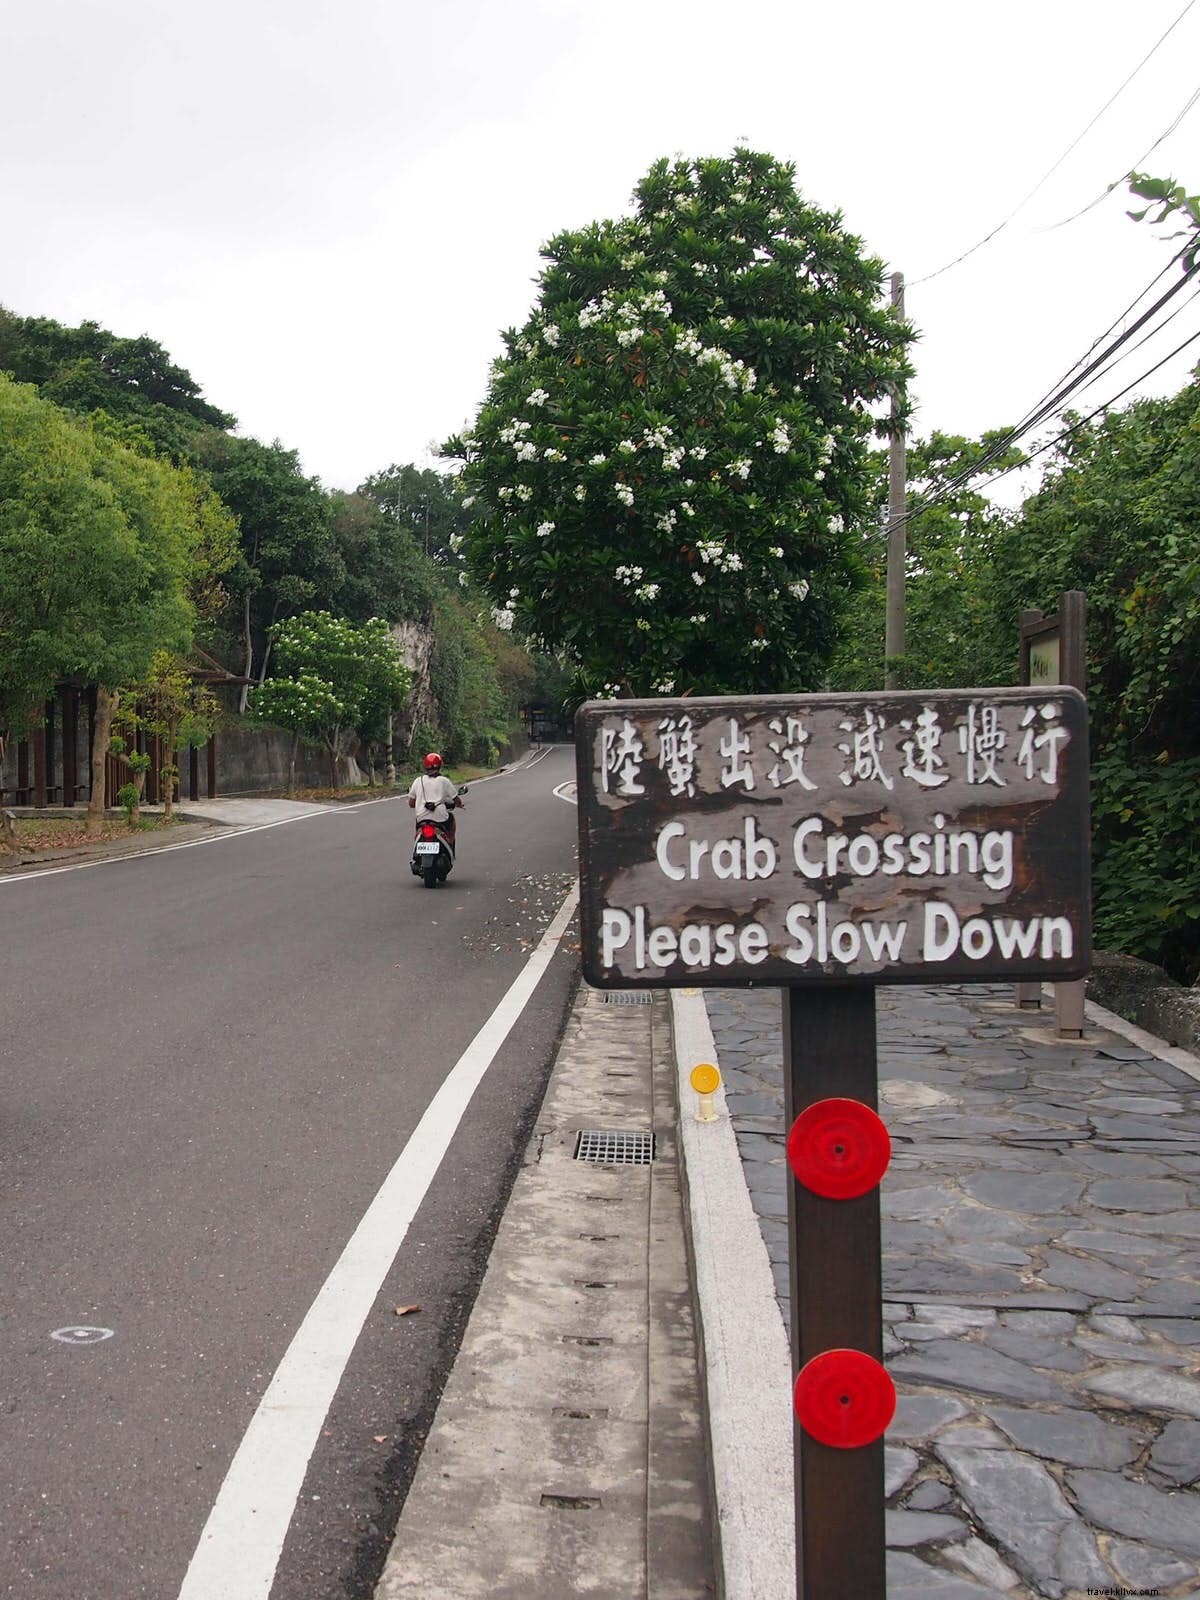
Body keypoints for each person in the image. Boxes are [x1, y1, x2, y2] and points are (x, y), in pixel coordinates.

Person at [407, 751, 463, 845]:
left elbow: (411, 803)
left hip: (421, 819)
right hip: (440, 819)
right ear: (440, 766)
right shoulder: (444, 781)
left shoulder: (418, 781)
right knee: (451, 818)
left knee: (418, 827)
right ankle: (450, 841)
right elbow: (456, 799)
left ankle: (417, 843)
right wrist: (460, 804)